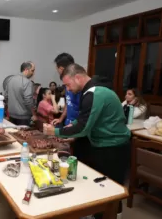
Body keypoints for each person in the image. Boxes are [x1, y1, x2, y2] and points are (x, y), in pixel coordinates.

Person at [44, 64, 130, 219]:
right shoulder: (92, 91)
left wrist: (55, 131)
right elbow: (86, 117)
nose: (68, 90)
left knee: (113, 190)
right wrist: (74, 126)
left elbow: (83, 127)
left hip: (113, 147)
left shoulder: (94, 93)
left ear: (77, 77)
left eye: (68, 85)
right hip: (101, 144)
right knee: (101, 186)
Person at [51, 53, 91, 164]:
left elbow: (85, 113)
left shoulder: (80, 87)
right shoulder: (68, 83)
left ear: (61, 68)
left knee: (78, 160)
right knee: (66, 158)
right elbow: (69, 103)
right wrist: (61, 118)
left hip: (79, 129)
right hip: (69, 125)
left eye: (57, 69)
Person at [5, 61, 36, 126]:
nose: (33, 73)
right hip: (23, 117)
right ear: (26, 70)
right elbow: (28, 101)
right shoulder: (27, 82)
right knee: (22, 135)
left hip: (11, 115)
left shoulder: (10, 79)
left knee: (13, 134)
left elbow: (6, 96)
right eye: (32, 70)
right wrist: (34, 114)